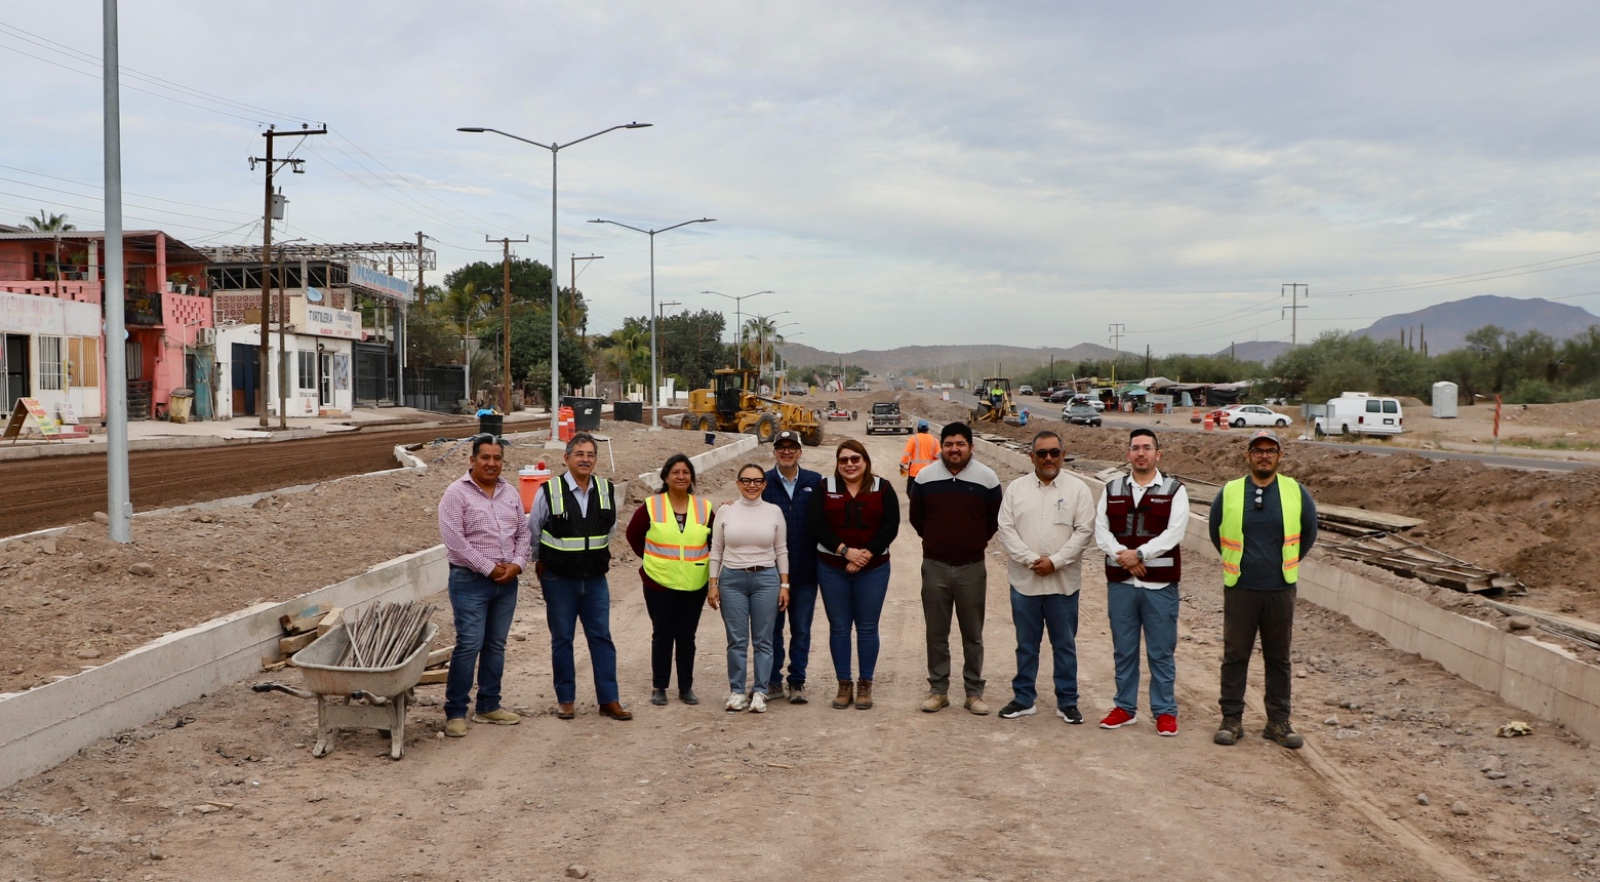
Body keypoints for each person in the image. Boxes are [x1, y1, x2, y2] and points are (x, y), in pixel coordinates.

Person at [1209, 429, 1318, 749]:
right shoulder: (1230, 492)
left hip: (1279, 588)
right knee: (1235, 656)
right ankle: (1231, 719)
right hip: (1241, 587)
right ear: (1248, 456)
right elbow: (1216, 532)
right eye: (1258, 450)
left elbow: (1309, 533)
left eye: (1271, 450)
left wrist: (1284, 563)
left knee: (1279, 658)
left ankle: (1278, 722)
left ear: (1280, 456)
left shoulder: (1295, 492)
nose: (1264, 455)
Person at [528, 432, 632, 721]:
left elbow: (610, 530)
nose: (585, 460)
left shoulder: (606, 490)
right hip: (559, 579)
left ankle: (609, 700)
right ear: (566, 458)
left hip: (595, 579)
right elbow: (534, 530)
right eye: (579, 454)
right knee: (562, 639)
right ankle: (566, 699)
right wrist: (539, 562)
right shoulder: (549, 491)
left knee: (602, 638)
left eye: (590, 455)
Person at [1093, 428, 1190, 735]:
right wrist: (1123, 556)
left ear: (1157, 454)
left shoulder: (1175, 490)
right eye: (1135, 448)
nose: (1141, 453)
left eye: (1147, 447)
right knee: (1124, 649)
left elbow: (1174, 533)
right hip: (1121, 585)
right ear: (1128, 454)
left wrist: (1139, 554)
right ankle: (1125, 707)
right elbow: (1101, 530)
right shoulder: (1112, 488)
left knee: (1161, 651)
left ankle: (1164, 711)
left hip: (1159, 586)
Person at [995, 430, 1096, 723]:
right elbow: (1006, 529)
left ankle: (1067, 701)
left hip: (1063, 584)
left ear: (1063, 455)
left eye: (1054, 452)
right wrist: (1031, 560)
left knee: (1064, 644)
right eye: (1042, 453)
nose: (1048, 458)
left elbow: (1084, 532)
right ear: (1032, 457)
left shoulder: (1078, 490)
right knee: (1026, 644)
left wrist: (1055, 562)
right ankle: (1023, 698)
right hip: (1024, 583)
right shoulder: (1016, 489)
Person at [436, 434, 532, 737]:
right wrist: (489, 569)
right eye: (485, 457)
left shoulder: (510, 492)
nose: (492, 463)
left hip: (507, 582)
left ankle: (489, 705)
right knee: (469, 644)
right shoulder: (456, 493)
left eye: (497, 458)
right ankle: (455, 712)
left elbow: (524, 533)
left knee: (495, 644)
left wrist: (518, 564)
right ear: (473, 460)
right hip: (470, 582)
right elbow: (455, 542)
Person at [908, 421, 1003, 715]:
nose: (954, 449)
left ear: (971, 447)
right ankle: (938, 691)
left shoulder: (987, 478)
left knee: (972, 634)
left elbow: (993, 520)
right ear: (942, 447)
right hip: (934, 566)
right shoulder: (925, 477)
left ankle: (974, 692)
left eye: (960, 444)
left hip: (972, 568)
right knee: (936, 633)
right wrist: (938, 541)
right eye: (949, 444)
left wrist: (972, 542)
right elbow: (917, 518)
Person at [808, 439, 901, 711]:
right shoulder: (825, 488)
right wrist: (845, 551)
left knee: (868, 627)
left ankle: (865, 685)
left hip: (873, 570)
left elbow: (891, 526)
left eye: (855, 459)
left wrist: (865, 555)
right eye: (844, 460)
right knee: (839, 628)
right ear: (838, 464)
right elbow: (816, 525)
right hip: (832, 569)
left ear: (865, 461)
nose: (849, 464)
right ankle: (844, 684)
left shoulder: (882, 487)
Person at [625, 454, 713, 707]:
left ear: (692, 477)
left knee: (687, 636)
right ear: (665, 477)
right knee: (663, 634)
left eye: (686, 472)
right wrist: (652, 559)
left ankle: (686, 687)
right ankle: (660, 687)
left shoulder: (704, 508)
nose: (681, 476)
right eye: (675, 472)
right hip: (659, 582)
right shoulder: (652, 505)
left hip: (694, 583)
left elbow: (715, 542)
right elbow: (633, 535)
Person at [709, 464, 791, 713]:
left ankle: (760, 691)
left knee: (763, 639)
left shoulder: (774, 512)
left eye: (757, 481)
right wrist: (713, 583)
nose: (751, 485)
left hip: (766, 580)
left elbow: (781, 550)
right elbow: (716, 549)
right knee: (736, 640)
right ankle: (737, 692)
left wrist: (784, 584)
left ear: (764, 485)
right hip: (732, 580)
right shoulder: (726, 511)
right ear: (738, 483)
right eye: (746, 480)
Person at [762, 430, 824, 703]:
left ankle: (797, 681)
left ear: (800, 451)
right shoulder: (763, 482)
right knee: (772, 630)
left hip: (806, 571)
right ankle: (773, 681)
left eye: (791, 447)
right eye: (781, 447)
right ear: (774, 451)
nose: (786, 452)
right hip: (771, 572)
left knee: (801, 629)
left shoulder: (815, 482)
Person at [899, 420, 939, 485]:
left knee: (912, 490)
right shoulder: (934, 440)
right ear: (927, 429)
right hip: (929, 472)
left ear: (918, 429)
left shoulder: (913, 439)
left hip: (915, 472)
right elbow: (938, 456)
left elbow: (907, 453)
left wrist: (902, 463)